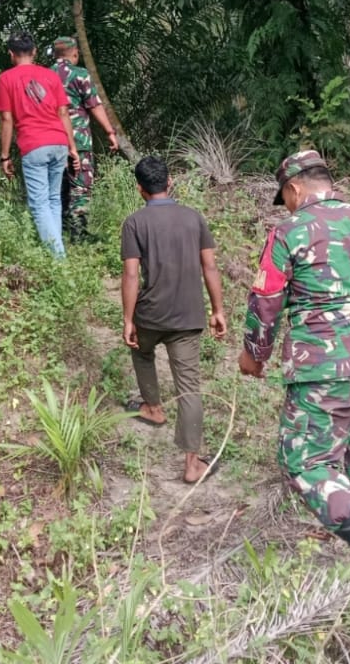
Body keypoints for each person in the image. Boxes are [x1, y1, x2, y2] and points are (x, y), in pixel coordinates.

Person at [239, 150, 350, 569]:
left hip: (321, 369)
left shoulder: (289, 232)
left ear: (294, 188)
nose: (286, 206)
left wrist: (254, 356)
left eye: (284, 198)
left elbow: (266, 300)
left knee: (306, 461)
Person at [120, 156, 227, 484]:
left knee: (141, 351)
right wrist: (218, 310)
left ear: (140, 189)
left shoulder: (134, 223)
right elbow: (210, 266)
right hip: (187, 317)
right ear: (170, 182)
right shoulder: (194, 218)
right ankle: (192, 465)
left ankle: (153, 408)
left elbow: (131, 274)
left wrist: (128, 319)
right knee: (189, 389)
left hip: (150, 315)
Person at [0, 33, 79, 257]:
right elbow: (63, 113)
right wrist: (72, 147)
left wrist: (5, 155)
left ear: (11, 54)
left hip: (34, 145)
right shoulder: (51, 76)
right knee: (53, 199)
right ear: (34, 52)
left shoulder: (6, 79)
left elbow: (6, 119)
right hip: (59, 142)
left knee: (39, 204)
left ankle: (58, 260)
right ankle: (57, 252)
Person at [51, 36, 119, 243]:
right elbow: (94, 105)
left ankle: (59, 232)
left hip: (51, 139)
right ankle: (78, 234)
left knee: (58, 187)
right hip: (78, 140)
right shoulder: (80, 74)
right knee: (80, 186)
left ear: (55, 54)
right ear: (75, 54)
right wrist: (109, 132)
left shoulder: (45, 75)